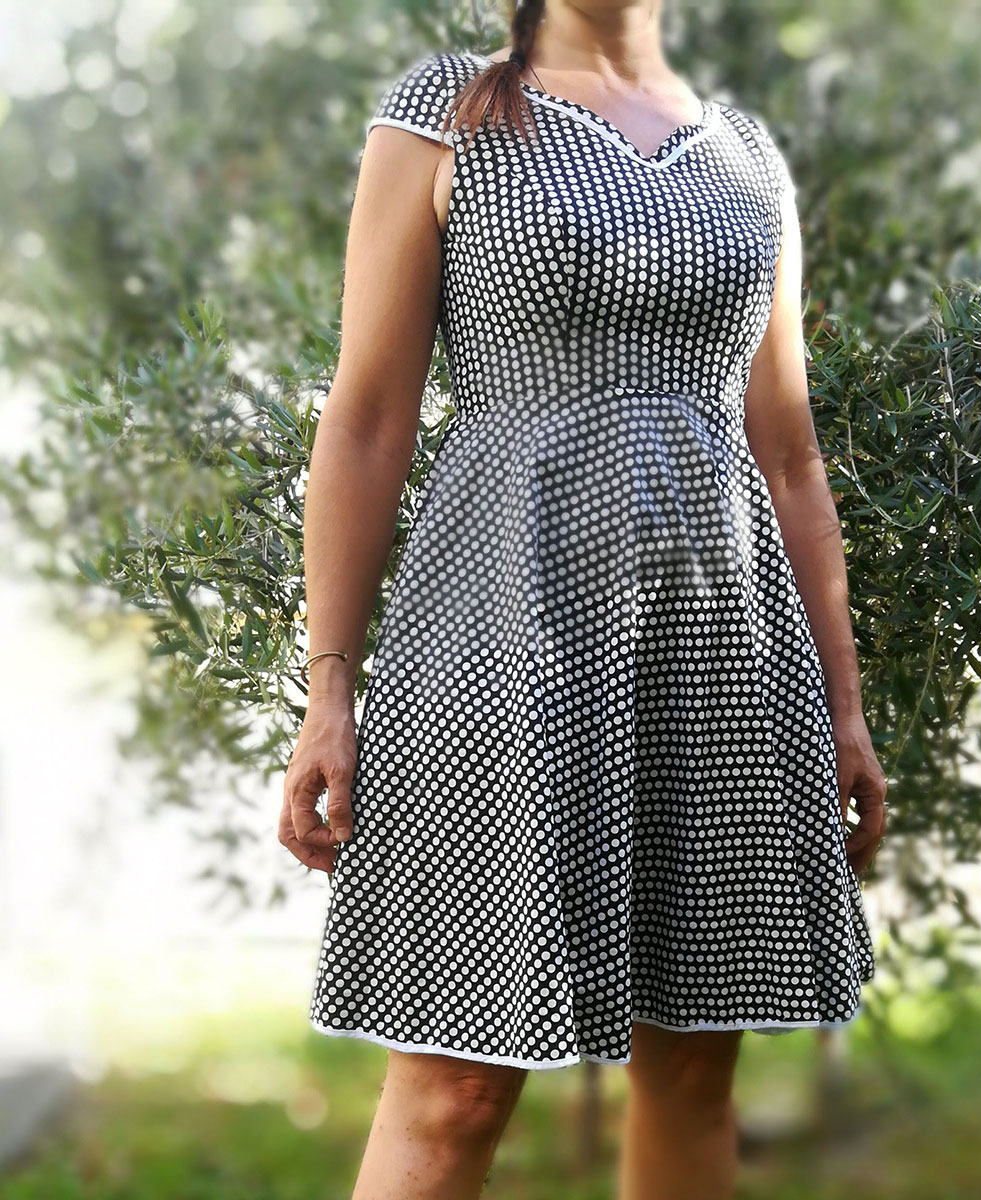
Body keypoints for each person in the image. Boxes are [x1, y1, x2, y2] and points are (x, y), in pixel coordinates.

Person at [280, 1, 887, 1196]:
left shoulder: (745, 158)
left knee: (693, 1069)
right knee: (453, 1089)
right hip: (494, 633)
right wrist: (330, 688)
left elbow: (791, 456)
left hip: (717, 648)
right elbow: (364, 421)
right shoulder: (449, 112)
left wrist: (844, 707)